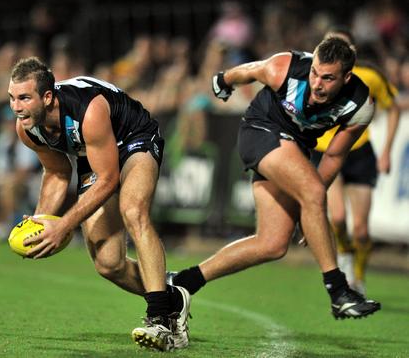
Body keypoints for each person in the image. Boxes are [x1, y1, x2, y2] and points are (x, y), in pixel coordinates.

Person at [169, 37, 381, 320]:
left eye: (328, 78)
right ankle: (339, 291)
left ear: (347, 77)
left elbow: (333, 157)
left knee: (273, 244)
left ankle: (183, 281)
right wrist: (224, 80)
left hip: (294, 146)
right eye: (315, 73)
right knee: (313, 194)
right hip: (260, 130)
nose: (317, 83)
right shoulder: (287, 68)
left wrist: (312, 204)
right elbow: (251, 70)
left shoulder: (360, 106)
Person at [8, 57, 190, 352]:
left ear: (48, 97)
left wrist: (63, 225)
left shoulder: (87, 110)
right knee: (108, 263)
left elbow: (108, 179)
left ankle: (159, 320)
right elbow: (56, 172)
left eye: (24, 98)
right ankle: (173, 297)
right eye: (13, 98)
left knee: (134, 211)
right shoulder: (27, 128)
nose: (16, 107)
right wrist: (42, 221)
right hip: (94, 156)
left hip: (134, 138)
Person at [312, 28, 400, 295]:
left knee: (361, 230)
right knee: (337, 217)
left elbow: (393, 106)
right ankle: (345, 253)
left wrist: (386, 151)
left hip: (359, 152)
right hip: (327, 153)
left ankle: (358, 276)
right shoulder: (314, 76)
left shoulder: (369, 77)